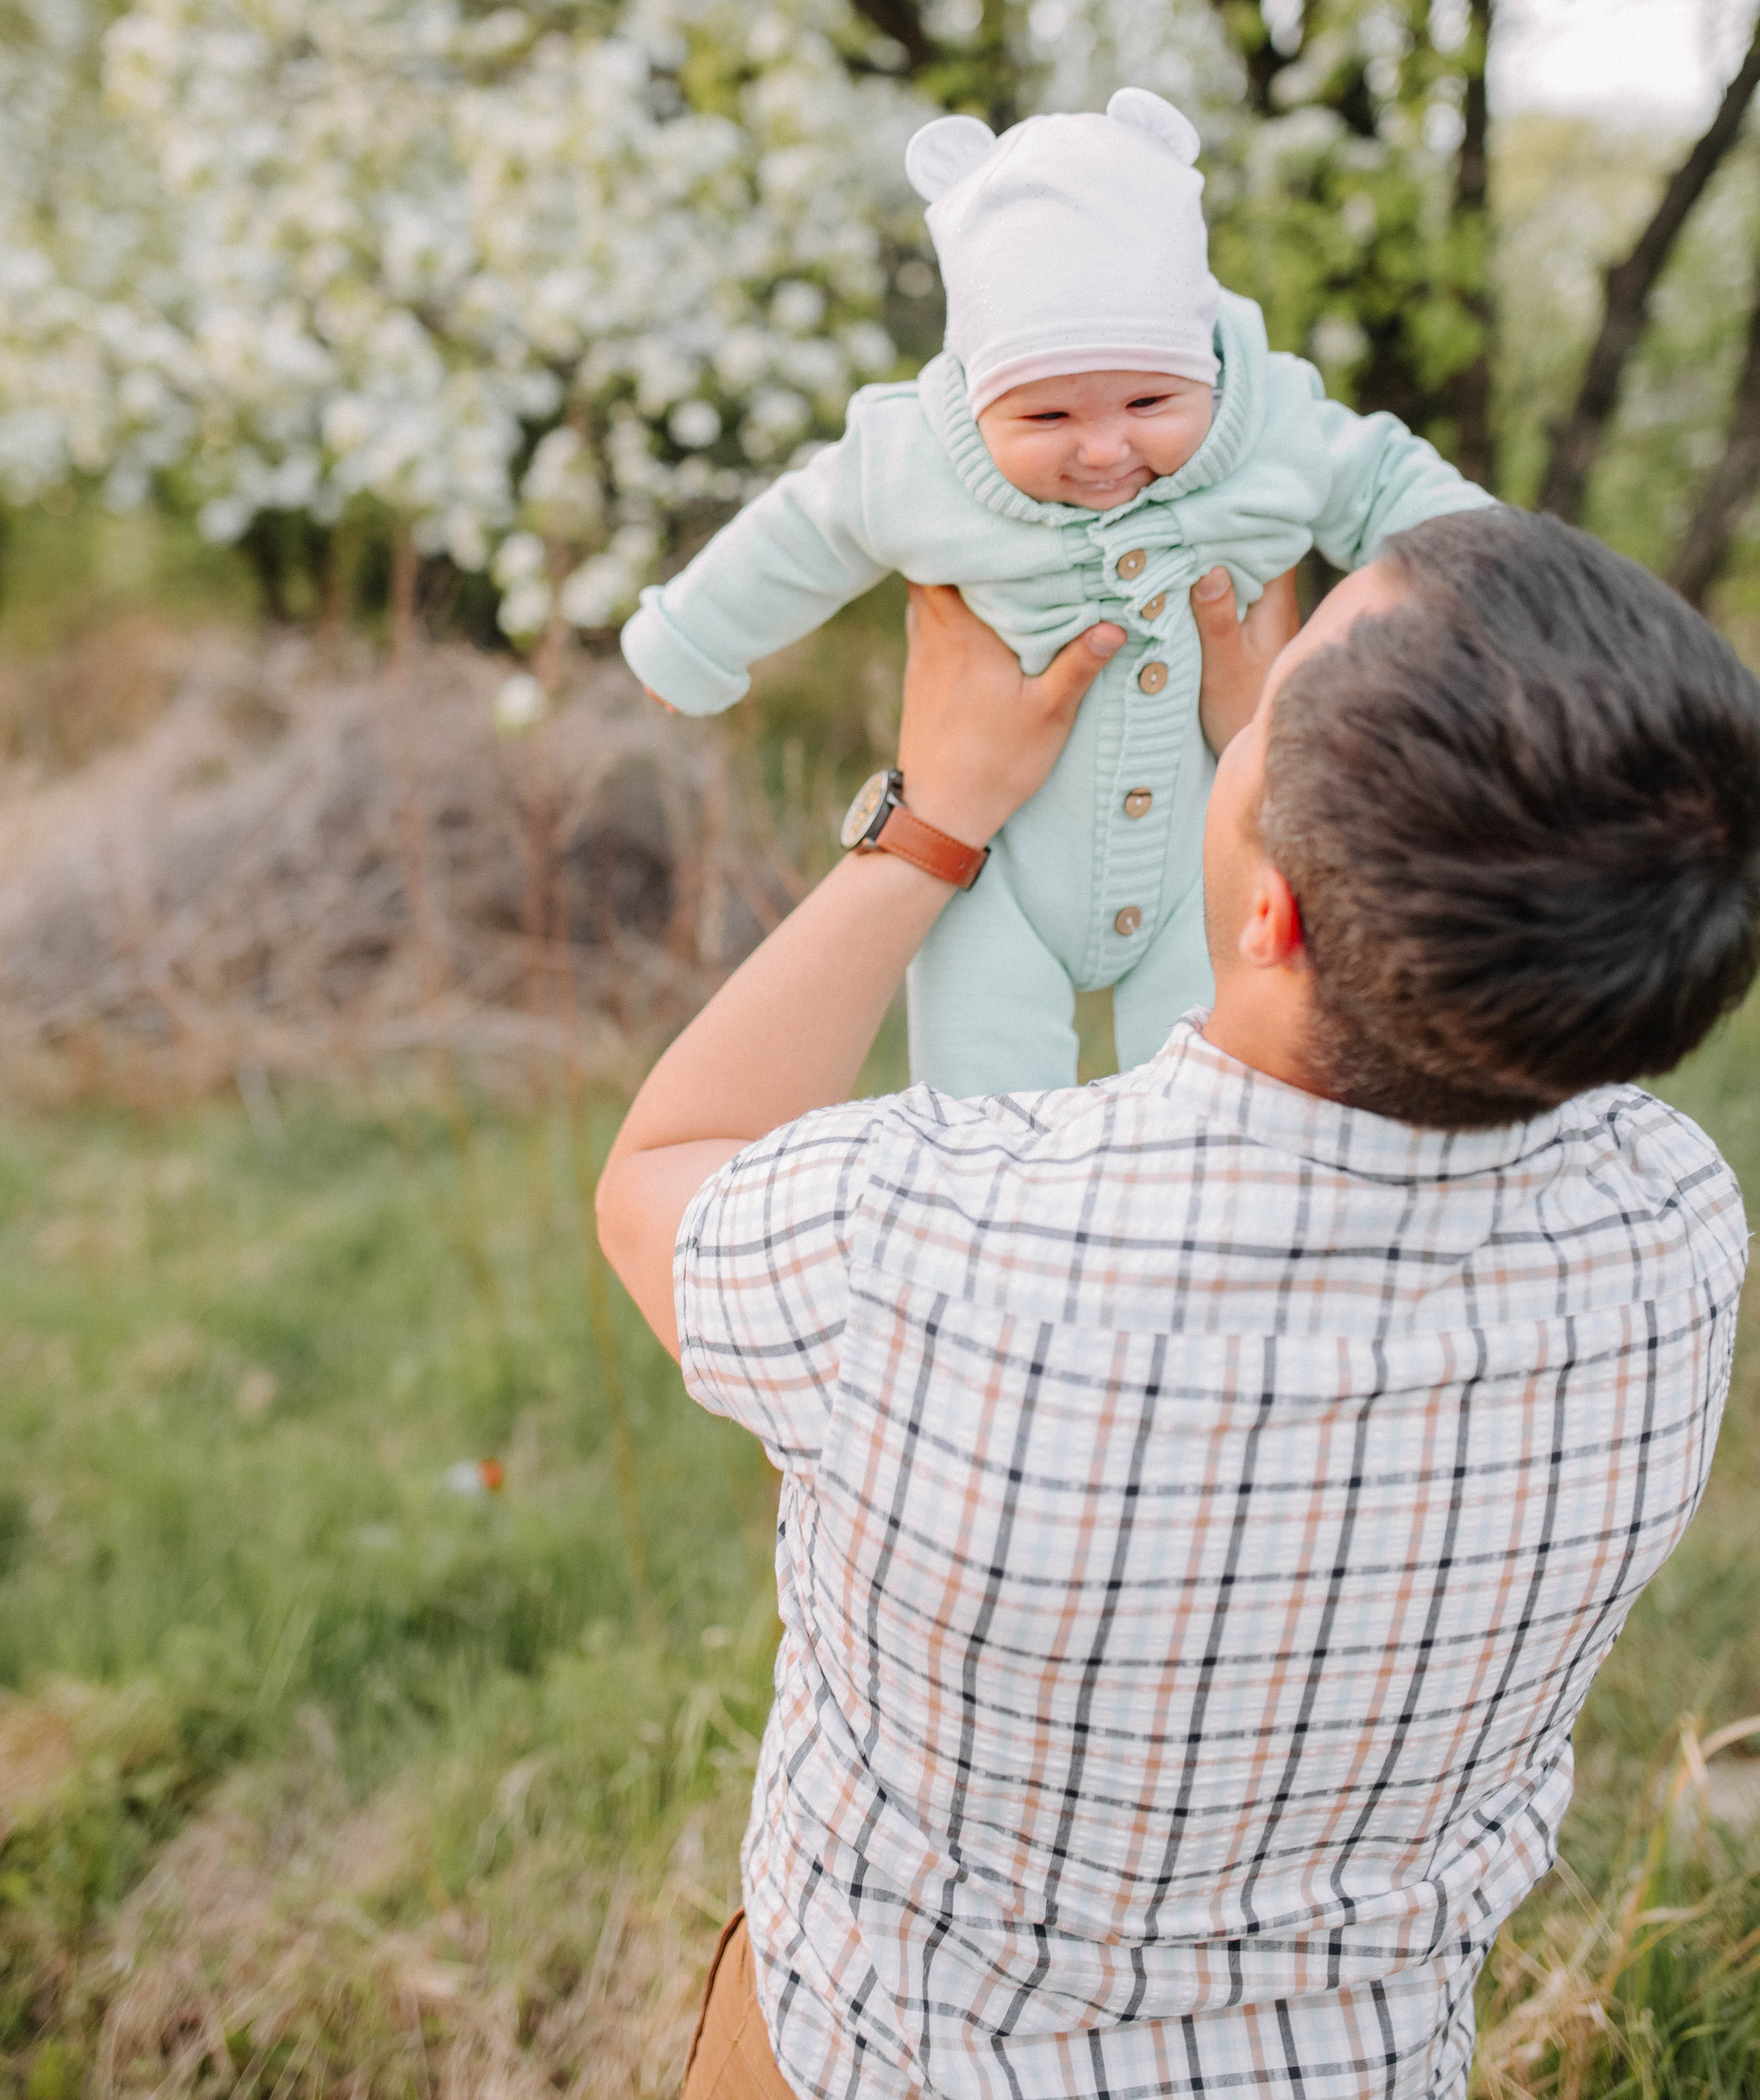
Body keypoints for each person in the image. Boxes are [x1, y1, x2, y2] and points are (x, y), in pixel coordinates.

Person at [598, 508, 1760, 2100]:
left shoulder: (927, 1247)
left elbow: (661, 1172)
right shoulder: (1672, 1224)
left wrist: (935, 814)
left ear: (1279, 912)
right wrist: (1318, 792)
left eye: (1275, 702)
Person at [622, 88, 1488, 1096]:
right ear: (977, 394)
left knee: (1211, 1098)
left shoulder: (1277, 428)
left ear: (1206, 370)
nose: (1105, 448)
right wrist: (691, 640)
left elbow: (1393, 487)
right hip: (991, 863)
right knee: (983, 1113)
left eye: (1150, 402)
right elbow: (800, 532)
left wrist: (1512, 591)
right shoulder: (914, 459)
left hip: (1206, 857)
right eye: (1046, 418)